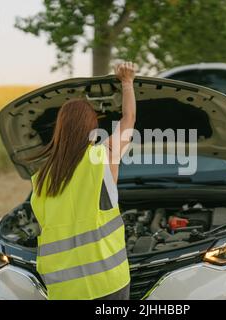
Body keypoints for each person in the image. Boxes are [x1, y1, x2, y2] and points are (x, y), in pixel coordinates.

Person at [30, 62, 136, 300]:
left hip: (63, 290)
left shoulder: (40, 179)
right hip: (108, 282)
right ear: (91, 128)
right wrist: (127, 82)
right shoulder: (102, 156)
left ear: (59, 130)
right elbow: (128, 119)